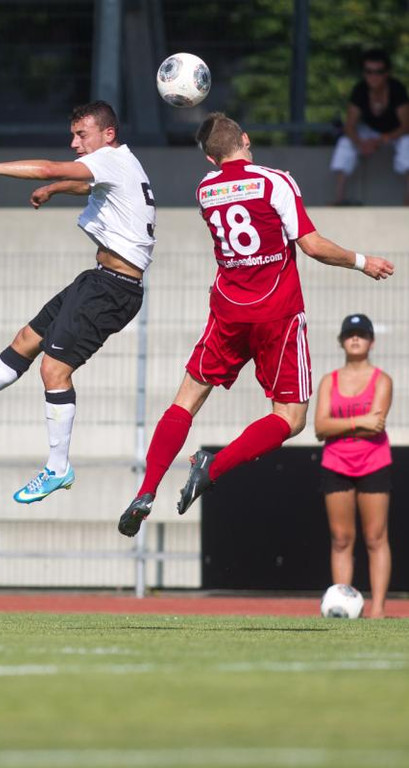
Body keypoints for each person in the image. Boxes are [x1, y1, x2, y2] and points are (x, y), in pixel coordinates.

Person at [118, 111, 394, 538]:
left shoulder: (205, 190)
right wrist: (363, 261)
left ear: (210, 159)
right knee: (290, 417)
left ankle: (146, 489)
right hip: (277, 315)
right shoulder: (275, 182)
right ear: (245, 139)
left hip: (228, 312)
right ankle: (213, 467)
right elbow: (312, 245)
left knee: (185, 400)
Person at [0, 100, 156, 504]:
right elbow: (82, 184)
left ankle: (58, 468)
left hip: (113, 289)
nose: (74, 143)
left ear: (108, 134)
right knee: (26, 339)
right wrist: (56, 189)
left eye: (82, 135)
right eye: (73, 135)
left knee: (53, 369)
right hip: (98, 280)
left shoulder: (110, 159)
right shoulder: (119, 163)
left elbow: (49, 168)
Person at [314, 314, 393, 619]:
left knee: (375, 537)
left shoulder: (382, 380)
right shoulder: (329, 381)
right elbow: (320, 427)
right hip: (336, 463)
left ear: (372, 341)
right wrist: (360, 421)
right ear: (341, 342)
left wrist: (339, 425)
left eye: (361, 334)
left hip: (374, 462)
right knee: (341, 539)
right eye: (350, 334)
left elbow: (377, 426)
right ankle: (343, 606)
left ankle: (379, 609)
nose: (355, 339)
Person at [330, 48, 409, 205]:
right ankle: (338, 199)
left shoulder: (397, 89)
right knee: (345, 143)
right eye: (368, 71)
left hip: (395, 133)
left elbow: (406, 125)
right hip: (370, 132)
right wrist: (360, 143)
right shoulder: (360, 90)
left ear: (387, 73)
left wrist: (382, 140)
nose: (373, 76)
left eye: (379, 72)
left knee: (407, 144)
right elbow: (350, 126)